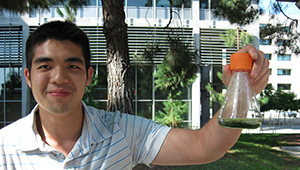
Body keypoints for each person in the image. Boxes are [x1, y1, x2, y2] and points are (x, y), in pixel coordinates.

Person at [0, 21, 270, 169]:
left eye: (72, 66)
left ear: (90, 76)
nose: (59, 77)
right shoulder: (4, 149)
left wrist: (242, 89)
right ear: (28, 76)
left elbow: (204, 147)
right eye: (45, 66)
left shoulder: (123, 132)